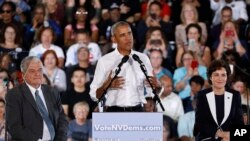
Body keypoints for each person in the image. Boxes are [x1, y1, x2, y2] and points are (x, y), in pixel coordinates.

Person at [90, 21, 160, 112]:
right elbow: (94, 95)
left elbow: (153, 91)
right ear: (114, 39)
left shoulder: (143, 58)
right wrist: (107, 86)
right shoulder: (104, 61)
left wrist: (158, 87)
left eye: (129, 34)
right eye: (123, 35)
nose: (128, 38)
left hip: (138, 111)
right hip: (114, 113)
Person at [5, 56, 68, 141]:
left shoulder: (52, 92)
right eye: (32, 71)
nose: (37, 74)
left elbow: (62, 120)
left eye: (40, 70)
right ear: (23, 75)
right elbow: (14, 127)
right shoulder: (14, 95)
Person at [194, 60, 244, 141]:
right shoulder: (202, 95)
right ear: (210, 77)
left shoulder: (235, 95)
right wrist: (221, 134)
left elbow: (239, 122)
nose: (220, 78)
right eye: (216, 75)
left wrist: (230, 136)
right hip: (207, 138)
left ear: (227, 77)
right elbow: (200, 123)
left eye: (223, 75)